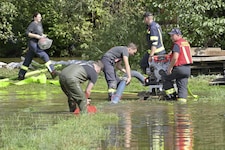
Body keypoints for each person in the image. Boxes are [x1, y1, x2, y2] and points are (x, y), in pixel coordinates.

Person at [18, 12, 56, 80]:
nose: (40, 18)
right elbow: (27, 33)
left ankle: (21, 75)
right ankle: (52, 71)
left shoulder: (39, 24)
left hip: (37, 43)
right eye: (38, 17)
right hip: (33, 43)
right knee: (44, 55)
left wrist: (43, 36)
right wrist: (36, 36)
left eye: (40, 17)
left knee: (28, 60)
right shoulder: (33, 24)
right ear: (34, 18)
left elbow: (39, 33)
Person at [162, 28, 193, 102]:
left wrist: (170, 67)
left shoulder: (177, 44)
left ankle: (171, 97)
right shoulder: (185, 43)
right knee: (182, 85)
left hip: (179, 68)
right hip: (187, 69)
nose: (171, 37)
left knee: (165, 77)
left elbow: (175, 57)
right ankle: (182, 104)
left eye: (173, 35)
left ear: (178, 35)